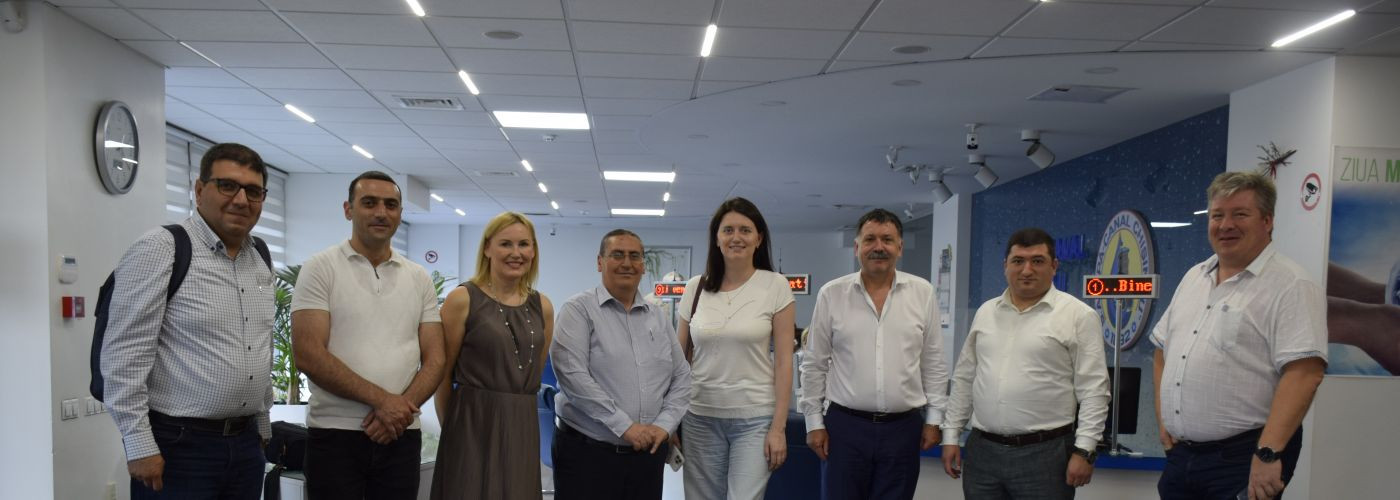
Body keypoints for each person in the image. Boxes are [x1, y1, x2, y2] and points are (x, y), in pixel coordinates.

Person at [101, 143, 274, 498]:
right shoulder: (161, 248)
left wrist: (262, 423)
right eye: (228, 186)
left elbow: (259, 344)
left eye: (253, 191)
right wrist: (138, 443)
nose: (241, 200)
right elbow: (124, 357)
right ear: (199, 189)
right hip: (179, 448)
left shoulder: (259, 255)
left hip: (245, 446)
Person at [1153, 171, 1326, 500]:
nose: (1225, 225)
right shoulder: (1194, 277)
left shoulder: (1291, 285)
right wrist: (1164, 420)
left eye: (1240, 214)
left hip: (1244, 459)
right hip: (1182, 458)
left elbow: (1305, 373)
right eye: (1217, 215)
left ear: (1267, 221)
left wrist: (1268, 453)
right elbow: (1162, 350)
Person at [291, 171, 446, 499]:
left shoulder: (419, 277)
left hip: (401, 434)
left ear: (400, 213)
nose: (381, 212)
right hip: (335, 434)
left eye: (391, 205)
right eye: (369, 203)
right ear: (348, 209)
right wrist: (384, 403)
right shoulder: (320, 268)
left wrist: (399, 412)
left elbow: (436, 359)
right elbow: (308, 354)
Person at [940, 227, 1110, 499]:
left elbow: (1094, 390)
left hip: (1046, 455)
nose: (1027, 270)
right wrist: (951, 435)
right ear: (1005, 265)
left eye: (1037, 261)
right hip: (983, 453)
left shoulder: (1079, 316)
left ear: (1054, 266)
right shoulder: (986, 312)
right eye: (1018, 261)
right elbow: (965, 378)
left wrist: (1085, 450)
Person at [799, 208, 948, 500]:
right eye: (870, 239)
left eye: (887, 240)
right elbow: (814, 363)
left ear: (900, 247)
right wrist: (813, 422)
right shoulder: (832, 294)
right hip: (845, 428)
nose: (878, 247)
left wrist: (934, 418)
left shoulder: (923, 293)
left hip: (903, 429)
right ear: (857, 247)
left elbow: (933, 362)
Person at [549, 229, 692, 500]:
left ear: (643, 265)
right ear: (600, 262)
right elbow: (572, 377)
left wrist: (664, 425)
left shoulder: (657, 317)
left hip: (646, 457)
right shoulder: (578, 310)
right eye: (617, 254)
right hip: (587, 456)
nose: (627, 263)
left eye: (634, 256)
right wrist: (625, 426)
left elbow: (682, 377)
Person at [677, 197, 797, 500]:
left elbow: (784, 362)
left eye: (745, 230)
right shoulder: (695, 288)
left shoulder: (776, 286)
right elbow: (679, 361)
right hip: (699, 416)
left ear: (759, 238)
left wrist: (778, 428)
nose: (736, 237)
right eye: (728, 230)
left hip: (755, 419)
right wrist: (671, 421)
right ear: (716, 238)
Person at [431, 212, 554, 500]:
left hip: (522, 424)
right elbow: (442, 376)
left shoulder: (543, 306)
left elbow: (533, 373)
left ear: (533, 251)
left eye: (524, 244)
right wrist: (455, 431)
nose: (516, 253)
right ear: (487, 248)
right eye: (505, 244)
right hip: (471, 424)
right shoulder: (462, 299)